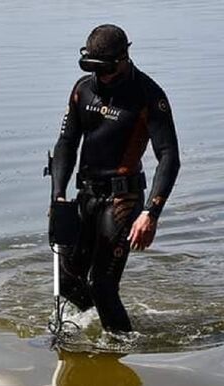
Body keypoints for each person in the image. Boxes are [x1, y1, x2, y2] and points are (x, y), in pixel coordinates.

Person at [51, 24, 181, 332]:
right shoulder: (83, 90)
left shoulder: (149, 96)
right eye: (93, 68)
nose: (101, 76)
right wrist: (58, 196)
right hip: (86, 196)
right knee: (67, 280)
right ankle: (94, 324)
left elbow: (169, 157)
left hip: (123, 201)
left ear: (124, 58)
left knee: (102, 284)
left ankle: (120, 346)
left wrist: (151, 213)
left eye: (106, 69)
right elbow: (66, 143)